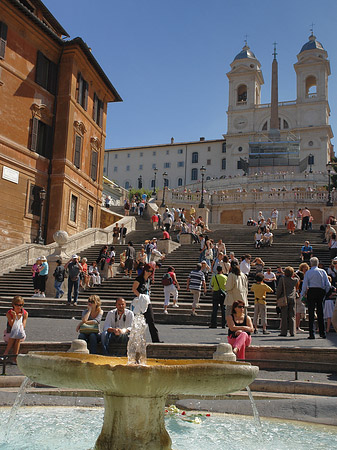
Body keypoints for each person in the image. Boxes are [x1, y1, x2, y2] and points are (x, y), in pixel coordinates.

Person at [301, 257, 331, 339]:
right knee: (320, 311)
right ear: (317, 263)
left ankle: (312, 333)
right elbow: (328, 284)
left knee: (311, 312)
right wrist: (325, 291)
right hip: (320, 291)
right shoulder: (322, 271)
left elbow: (305, 285)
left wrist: (302, 294)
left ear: (310, 264)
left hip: (311, 291)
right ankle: (322, 332)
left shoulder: (308, 272)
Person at [132, 264, 161, 342]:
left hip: (147, 301)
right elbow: (134, 289)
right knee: (138, 321)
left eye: (151, 271)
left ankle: (156, 340)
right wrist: (141, 297)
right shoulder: (139, 279)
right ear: (144, 270)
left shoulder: (149, 280)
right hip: (140, 301)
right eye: (148, 271)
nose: (149, 273)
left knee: (151, 320)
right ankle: (136, 340)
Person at [3, 296, 28, 364]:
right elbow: (12, 325)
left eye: (21, 305)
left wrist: (19, 319)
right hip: (9, 334)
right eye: (17, 305)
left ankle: (6, 353)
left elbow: (23, 326)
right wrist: (15, 317)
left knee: (17, 336)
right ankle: (15, 358)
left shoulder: (25, 313)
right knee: (15, 336)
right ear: (13, 305)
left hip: (20, 333)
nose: (19, 307)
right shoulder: (9, 313)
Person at [277, 266, 299, 337]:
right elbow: (299, 278)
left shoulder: (282, 279)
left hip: (284, 298)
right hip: (292, 298)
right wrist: (295, 274)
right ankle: (292, 331)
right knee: (292, 315)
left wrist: (277, 298)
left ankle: (284, 331)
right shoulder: (294, 280)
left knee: (284, 315)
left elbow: (279, 290)